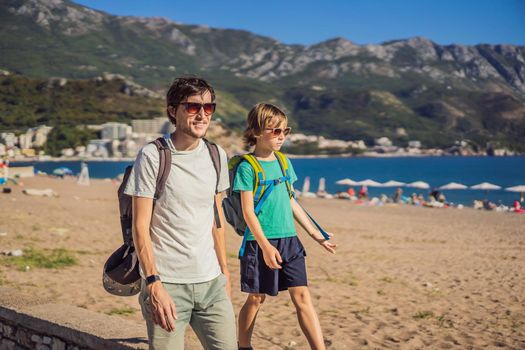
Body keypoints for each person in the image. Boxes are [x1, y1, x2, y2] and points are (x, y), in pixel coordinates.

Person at [124, 77, 237, 349]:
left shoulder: (216, 154)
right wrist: (153, 283)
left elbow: (216, 220)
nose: (202, 114)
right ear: (172, 111)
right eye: (193, 107)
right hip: (167, 282)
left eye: (208, 108)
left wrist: (225, 273)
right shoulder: (153, 155)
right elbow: (141, 227)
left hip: (211, 283)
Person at [234, 103, 337, 350]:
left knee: (302, 297)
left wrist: (316, 234)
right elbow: (248, 212)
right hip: (259, 242)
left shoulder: (283, 162)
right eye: (275, 131)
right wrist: (266, 246)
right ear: (257, 131)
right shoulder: (247, 167)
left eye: (285, 131)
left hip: (290, 241)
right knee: (256, 298)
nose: (281, 136)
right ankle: (243, 345)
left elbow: (291, 201)